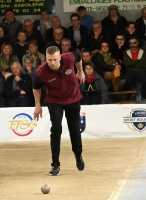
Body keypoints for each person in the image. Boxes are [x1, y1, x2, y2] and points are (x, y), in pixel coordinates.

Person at [33, 46, 85, 176]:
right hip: (54, 100)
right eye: (49, 60)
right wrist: (37, 105)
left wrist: (80, 71)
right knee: (56, 128)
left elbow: (78, 57)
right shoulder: (41, 72)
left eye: (55, 59)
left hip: (73, 98)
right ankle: (55, 164)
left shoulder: (69, 57)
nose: (52, 63)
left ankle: (78, 155)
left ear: (60, 57)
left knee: (74, 129)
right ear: (46, 58)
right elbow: (36, 87)